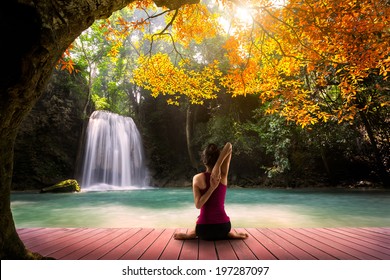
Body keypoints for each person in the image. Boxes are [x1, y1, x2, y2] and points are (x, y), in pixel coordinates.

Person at [174, 142, 248, 240]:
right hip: (223, 228)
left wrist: (211, 188)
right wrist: (218, 166)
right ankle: (228, 234)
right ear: (218, 159)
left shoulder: (197, 178)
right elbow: (229, 146)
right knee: (216, 218)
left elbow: (198, 205)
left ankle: (192, 233)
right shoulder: (223, 175)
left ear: (204, 161)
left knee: (199, 217)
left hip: (204, 231)